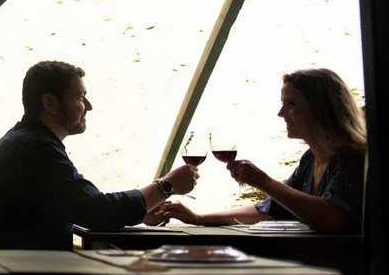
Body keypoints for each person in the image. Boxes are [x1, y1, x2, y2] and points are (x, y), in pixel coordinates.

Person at [0, 60, 198, 250]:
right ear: (50, 103)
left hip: (14, 272)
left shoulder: (26, 141)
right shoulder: (33, 148)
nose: (88, 106)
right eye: (80, 97)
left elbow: (78, 205)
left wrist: (143, 211)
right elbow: (98, 212)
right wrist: (165, 186)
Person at [152, 68, 365, 233]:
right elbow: (270, 210)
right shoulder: (311, 159)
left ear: (320, 107)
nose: (281, 113)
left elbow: (333, 218)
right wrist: (198, 218)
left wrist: (263, 181)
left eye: (290, 103)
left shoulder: (351, 158)